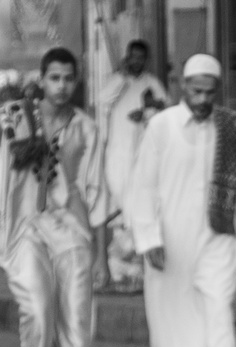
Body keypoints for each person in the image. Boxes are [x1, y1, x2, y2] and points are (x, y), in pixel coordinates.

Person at [0, 47, 109, 347]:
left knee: (78, 316)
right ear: (42, 79)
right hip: (25, 227)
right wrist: (2, 228)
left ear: (77, 81)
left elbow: (97, 190)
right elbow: (4, 175)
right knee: (38, 306)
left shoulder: (87, 129)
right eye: (55, 77)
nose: (62, 85)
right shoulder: (18, 119)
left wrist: (102, 255)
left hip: (71, 230)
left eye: (69, 78)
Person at [129, 53, 236, 347]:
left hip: (219, 236)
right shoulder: (162, 126)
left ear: (218, 90)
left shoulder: (231, 128)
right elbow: (143, 187)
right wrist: (148, 237)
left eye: (209, 92)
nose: (202, 99)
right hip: (170, 239)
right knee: (172, 316)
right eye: (196, 91)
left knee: (218, 309)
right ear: (182, 87)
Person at [99, 40, 168, 290]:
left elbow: (164, 108)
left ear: (146, 60)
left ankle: (136, 273)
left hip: (142, 158)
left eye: (141, 57)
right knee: (119, 211)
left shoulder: (152, 83)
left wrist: (149, 110)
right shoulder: (117, 81)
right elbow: (102, 100)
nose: (137, 61)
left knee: (138, 210)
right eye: (133, 57)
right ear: (127, 57)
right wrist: (122, 77)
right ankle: (118, 271)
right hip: (117, 157)